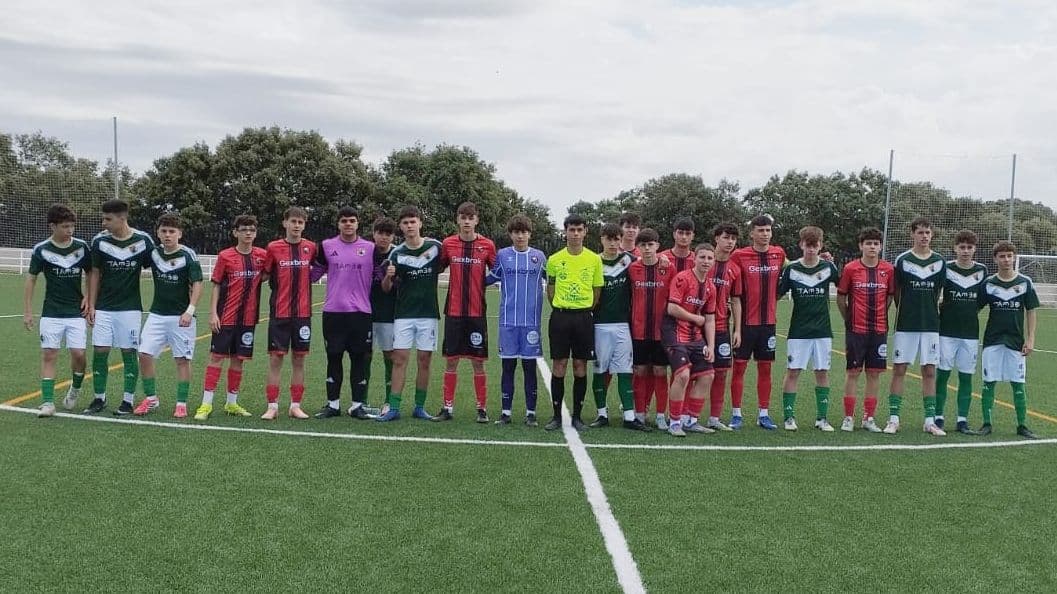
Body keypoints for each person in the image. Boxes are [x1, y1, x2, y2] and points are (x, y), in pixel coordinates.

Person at [84, 199, 155, 415]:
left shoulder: (143, 240)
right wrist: (92, 304)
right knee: (100, 351)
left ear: (122, 218)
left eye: (108, 219)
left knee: (128, 352)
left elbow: (158, 266)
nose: (103, 222)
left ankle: (127, 400)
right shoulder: (99, 241)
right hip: (104, 308)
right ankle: (99, 398)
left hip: (130, 308)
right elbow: (94, 273)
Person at [194, 215, 268, 421]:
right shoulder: (225, 256)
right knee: (216, 358)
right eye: (243, 229)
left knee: (238, 360)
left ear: (256, 233)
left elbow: (268, 274)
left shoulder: (262, 255)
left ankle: (231, 403)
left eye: (252, 230)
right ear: (235, 232)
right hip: (225, 317)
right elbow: (216, 284)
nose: (248, 233)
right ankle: (206, 404)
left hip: (248, 319)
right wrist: (213, 313)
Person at [376, 206, 446, 422]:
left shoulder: (435, 247)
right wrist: (388, 277)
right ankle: (394, 408)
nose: (409, 226)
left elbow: (442, 267)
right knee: (400, 359)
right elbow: (386, 288)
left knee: (424, 360)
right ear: (401, 227)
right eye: (405, 223)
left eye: (412, 221)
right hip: (404, 314)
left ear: (420, 224)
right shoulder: (396, 253)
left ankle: (419, 407)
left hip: (428, 313)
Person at [23, 204, 90, 417]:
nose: (70, 230)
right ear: (52, 226)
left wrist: (89, 297)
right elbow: (31, 279)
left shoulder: (81, 247)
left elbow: (92, 273)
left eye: (72, 226)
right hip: (51, 312)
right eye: (65, 226)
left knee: (79, 354)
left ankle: (75, 389)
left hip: (76, 312)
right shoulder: (41, 249)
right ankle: (48, 402)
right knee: (49, 354)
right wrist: (27, 311)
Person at [133, 213, 203, 417]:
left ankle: (181, 403)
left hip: (181, 317)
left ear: (179, 233)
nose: (167, 235)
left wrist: (190, 311)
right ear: (158, 233)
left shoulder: (188, 254)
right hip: (157, 315)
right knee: (144, 355)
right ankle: (151, 399)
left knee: (182, 360)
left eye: (172, 231)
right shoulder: (154, 254)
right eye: (163, 231)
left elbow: (198, 284)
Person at [311, 207, 375, 419]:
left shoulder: (370, 248)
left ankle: (357, 405)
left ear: (358, 224)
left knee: (359, 359)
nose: (348, 224)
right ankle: (333, 405)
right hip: (334, 312)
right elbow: (313, 274)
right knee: (334, 358)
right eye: (344, 221)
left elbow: (382, 275)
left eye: (352, 220)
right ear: (338, 224)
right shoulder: (327, 246)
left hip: (361, 313)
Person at [436, 202, 497, 423]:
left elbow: (497, 271)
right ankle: (447, 408)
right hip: (453, 312)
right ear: (458, 220)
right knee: (451, 360)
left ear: (477, 220)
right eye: (463, 217)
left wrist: (483, 281)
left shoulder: (487, 245)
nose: (467, 221)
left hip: (476, 313)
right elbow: (438, 267)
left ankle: (481, 409)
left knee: (477, 361)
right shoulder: (448, 243)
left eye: (471, 217)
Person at [886, 217, 946, 436]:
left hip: (931, 325)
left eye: (927, 233)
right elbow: (897, 291)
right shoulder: (902, 260)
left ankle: (929, 421)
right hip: (906, 324)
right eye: (920, 232)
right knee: (899, 369)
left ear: (932, 235)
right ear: (912, 234)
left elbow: (939, 291)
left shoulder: (939, 262)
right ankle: (893, 419)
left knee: (930, 371)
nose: (924, 236)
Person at [545, 213, 603, 432]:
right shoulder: (554, 259)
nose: (576, 234)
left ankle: (577, 416)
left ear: (585, 232)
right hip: (560, 317)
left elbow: (597, 292)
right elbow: (550, 291)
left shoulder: (593, 259)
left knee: (580, 366)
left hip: (583, 318)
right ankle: (556, 416)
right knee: (559, 365)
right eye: (572, 229)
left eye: (580, 229)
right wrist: (563, 306)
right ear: (565, 232)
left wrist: (583, 308)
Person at [778, 226, 839, 431]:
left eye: (815, 245)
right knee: (793, 371)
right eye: (808, 245)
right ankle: (788, 417)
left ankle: (822, 419)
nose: (811, 249)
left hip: (822, 331)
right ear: (801, 244)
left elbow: (845, 288)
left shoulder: (829, 268)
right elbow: (777, 294)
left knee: (822, 372)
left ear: (820, 245)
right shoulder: (792, 269)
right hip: (798, 331)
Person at [488, 214, 547, 426]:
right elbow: (490, 277)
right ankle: (506, 412)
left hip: (531, 323)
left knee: (530, 368)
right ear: (510, 234)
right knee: (508, 367)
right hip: (508, 323)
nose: (520, 236)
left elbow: (554, 280)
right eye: (516, 232)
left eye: (524, 232)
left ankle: (531, 413)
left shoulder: (539, 257)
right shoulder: (503, 255)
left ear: (530, 234)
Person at [730, 214, 786, 430]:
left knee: (766, 370)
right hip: (745, 324)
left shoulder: (778, 253)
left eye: (768, 230)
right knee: (739, 369)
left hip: (768, 324)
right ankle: (736, 414)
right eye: (760, 230)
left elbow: (788, 274)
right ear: (752, 233)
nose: (765, 234)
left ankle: (763, 414)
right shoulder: (739, 255)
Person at [977, 241, 1039, 439]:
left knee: (1018, 384)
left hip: (1016, 342)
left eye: (1009, 256)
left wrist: (1030, 339)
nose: (1006, 260)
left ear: (1014, 257)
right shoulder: (988, 283)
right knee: (989, 382)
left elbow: (1031, 311)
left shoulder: (1024, 282)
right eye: (1002, 256)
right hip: (992, 340)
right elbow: (974, 308)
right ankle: (986, 424)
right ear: (995, 259)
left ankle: (1022, 425)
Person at [836, 227, 895, 432]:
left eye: (876, 243)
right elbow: (841, 297)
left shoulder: (888, 269)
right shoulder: (851, 268)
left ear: (880, 247)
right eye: (868, 243)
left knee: (874, 374)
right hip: (856, 330)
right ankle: (848, 418)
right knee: (853, 372)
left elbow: (889, 297)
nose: (872, 247)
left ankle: (869, 418)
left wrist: (880, 313)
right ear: (861, 246)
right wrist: (849, 319)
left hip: (878, 330)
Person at [262, 206, 318, 420]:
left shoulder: (311, 248)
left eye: (300, 222)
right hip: (280, 313)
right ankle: (272, 406)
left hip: (303, 314)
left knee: (299, 360)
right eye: (293, 221)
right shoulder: (274, 248)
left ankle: (295, 405)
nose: (296, 226)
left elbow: (320, 268)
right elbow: (265, 274)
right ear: (285, 223)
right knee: (276, 360)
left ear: (304, 225)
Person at [662, 243, 718, 436]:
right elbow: (672, 308)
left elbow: (710, 319)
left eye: (710, 258)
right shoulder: (683, 278)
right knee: (683, 375)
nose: (706, 261)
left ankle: (691, 420)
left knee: (708, 375)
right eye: (702, 257)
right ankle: (675, 422)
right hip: (675, 334)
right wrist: (696, 318)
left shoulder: (711, 287)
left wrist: (711, 345)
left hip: (696, 337)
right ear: (695, 258)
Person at [936, 230, 987, 434]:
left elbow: (982, 299)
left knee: (966, 377)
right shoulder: (945, 268)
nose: (965, 251)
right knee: (943, 375)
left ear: (975, 249)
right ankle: (938, 417)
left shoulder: (982, 271)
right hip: (946, 331)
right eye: (962, 247)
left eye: (969, 247)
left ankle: (962, 420)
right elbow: (935, 293)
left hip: (970, 333)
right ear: (955, 248)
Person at [589, 223, 635, 428]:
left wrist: (661, 258)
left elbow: (649, 263)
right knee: (600, 370)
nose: (613, 243)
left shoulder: (629, 261)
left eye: (617, 239)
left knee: (625, 370)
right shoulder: (594, 262)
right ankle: (601, 414)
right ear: (602, 240)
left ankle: (630, 417)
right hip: (599, 325)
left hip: (623, 326)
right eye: (609, 239)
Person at [708, 222, 742, 431]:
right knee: (691, 372)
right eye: (726, 237)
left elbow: (736, 299)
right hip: (697, 326)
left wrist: (737, 329)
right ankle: (682, 415)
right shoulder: (701, 260)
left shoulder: (734, 269)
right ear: (716, 239)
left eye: (733, 239)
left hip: (721, 327)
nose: (729, 242)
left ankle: (714, 418)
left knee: (721, 372)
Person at [366, 217, 398, 412]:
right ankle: (361, 400)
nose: (384, 237)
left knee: (390, 356)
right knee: (364, 356)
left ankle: (388, 401)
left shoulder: (398, 254)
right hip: (365, 313)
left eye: (388, 234)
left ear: (393, 236)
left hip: (389, 314)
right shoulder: (365, 252)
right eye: (380, 233)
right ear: (374, 233)